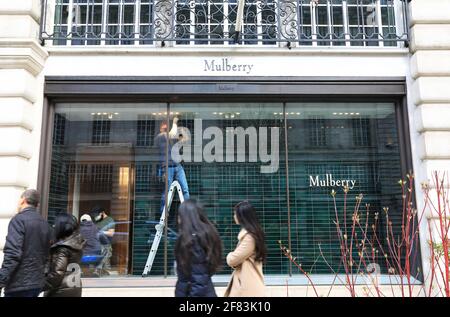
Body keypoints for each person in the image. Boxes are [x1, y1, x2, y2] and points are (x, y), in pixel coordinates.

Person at [0, 189, 52, 297]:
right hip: (36, 283)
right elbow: (47, 255)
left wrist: (1, 280)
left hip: (18, 284)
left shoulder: (18, 220)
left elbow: (12, 254)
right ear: (37, 204)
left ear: (23, 200)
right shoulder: (45, 224)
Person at [174, 199, 222, 297]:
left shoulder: (195, 241)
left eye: (180, 216)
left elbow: (199, 281)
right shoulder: (196, 238)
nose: (178, 219)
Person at [224, 201, 267, 297]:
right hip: (247, 284)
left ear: (242, 216)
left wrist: (229, 255)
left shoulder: (250, 237)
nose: (234, 216)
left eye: (235, 214)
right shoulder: (251, 235)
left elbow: (232, 260)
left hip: (248, 286)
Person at [43, 214, 86, 297]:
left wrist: (40, 286)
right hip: (74, 286)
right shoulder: (76, 243)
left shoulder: (62, 248)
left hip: (60, 290)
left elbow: (57, 273)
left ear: (61, 226)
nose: (54, 226)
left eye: (56, 224)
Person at [155, 117, 190, 214]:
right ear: (161, 128)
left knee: (185, 189)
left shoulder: (171, 138)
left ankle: (188, 210)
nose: (165, 125)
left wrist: (182, 131)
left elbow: (184, 139)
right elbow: (171, 134)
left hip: (177, 166)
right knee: (167, 191)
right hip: (167, 167)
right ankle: (164, 212)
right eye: (163, 124)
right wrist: (174, 122)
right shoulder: (160, 136)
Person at [90, 206, 115, 275]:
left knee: (105, 266)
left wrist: (101, 232)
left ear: (102, 213)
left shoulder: (109, 220)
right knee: (93, 266)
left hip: (105, 246)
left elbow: (111, 233)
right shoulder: (97, 221)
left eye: (97, 215)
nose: (96, 217)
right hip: (96, 246)